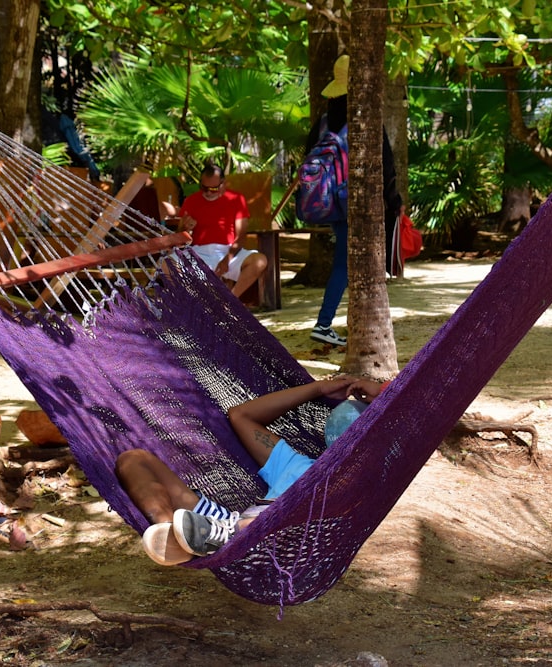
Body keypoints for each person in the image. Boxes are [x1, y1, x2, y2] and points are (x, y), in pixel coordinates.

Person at [114, 376, 387, 566]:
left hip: (264, 542)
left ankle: (211, 536)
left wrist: (385, 394)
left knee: (250, 525)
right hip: (222, 527)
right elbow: (241, 416)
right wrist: (317, 389)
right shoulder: (296, 466)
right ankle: (171, 533)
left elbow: (417, 407)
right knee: (133, 460)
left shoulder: (358, 486)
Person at [308, 55, 403, 347]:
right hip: (359, 203)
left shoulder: (324, 122)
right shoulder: (365, 122)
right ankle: (324, 324)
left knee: (347, 261)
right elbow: (385, 164)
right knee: (347, 265)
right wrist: (393, 198)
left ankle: (333, 322)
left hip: (331, 204)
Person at [176, 164, 268, 299]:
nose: (208, 192)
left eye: (213, 188)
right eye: (204, 188)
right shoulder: (191, 201)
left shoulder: (236, 199)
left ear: (223, 184)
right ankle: (195, 301)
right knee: (168, 263)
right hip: (198, 252)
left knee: (259, 260)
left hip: (228, 251)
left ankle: (231, 301)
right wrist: (185, 228)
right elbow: (178, 236)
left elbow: (241, 235)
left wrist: (227, 259)